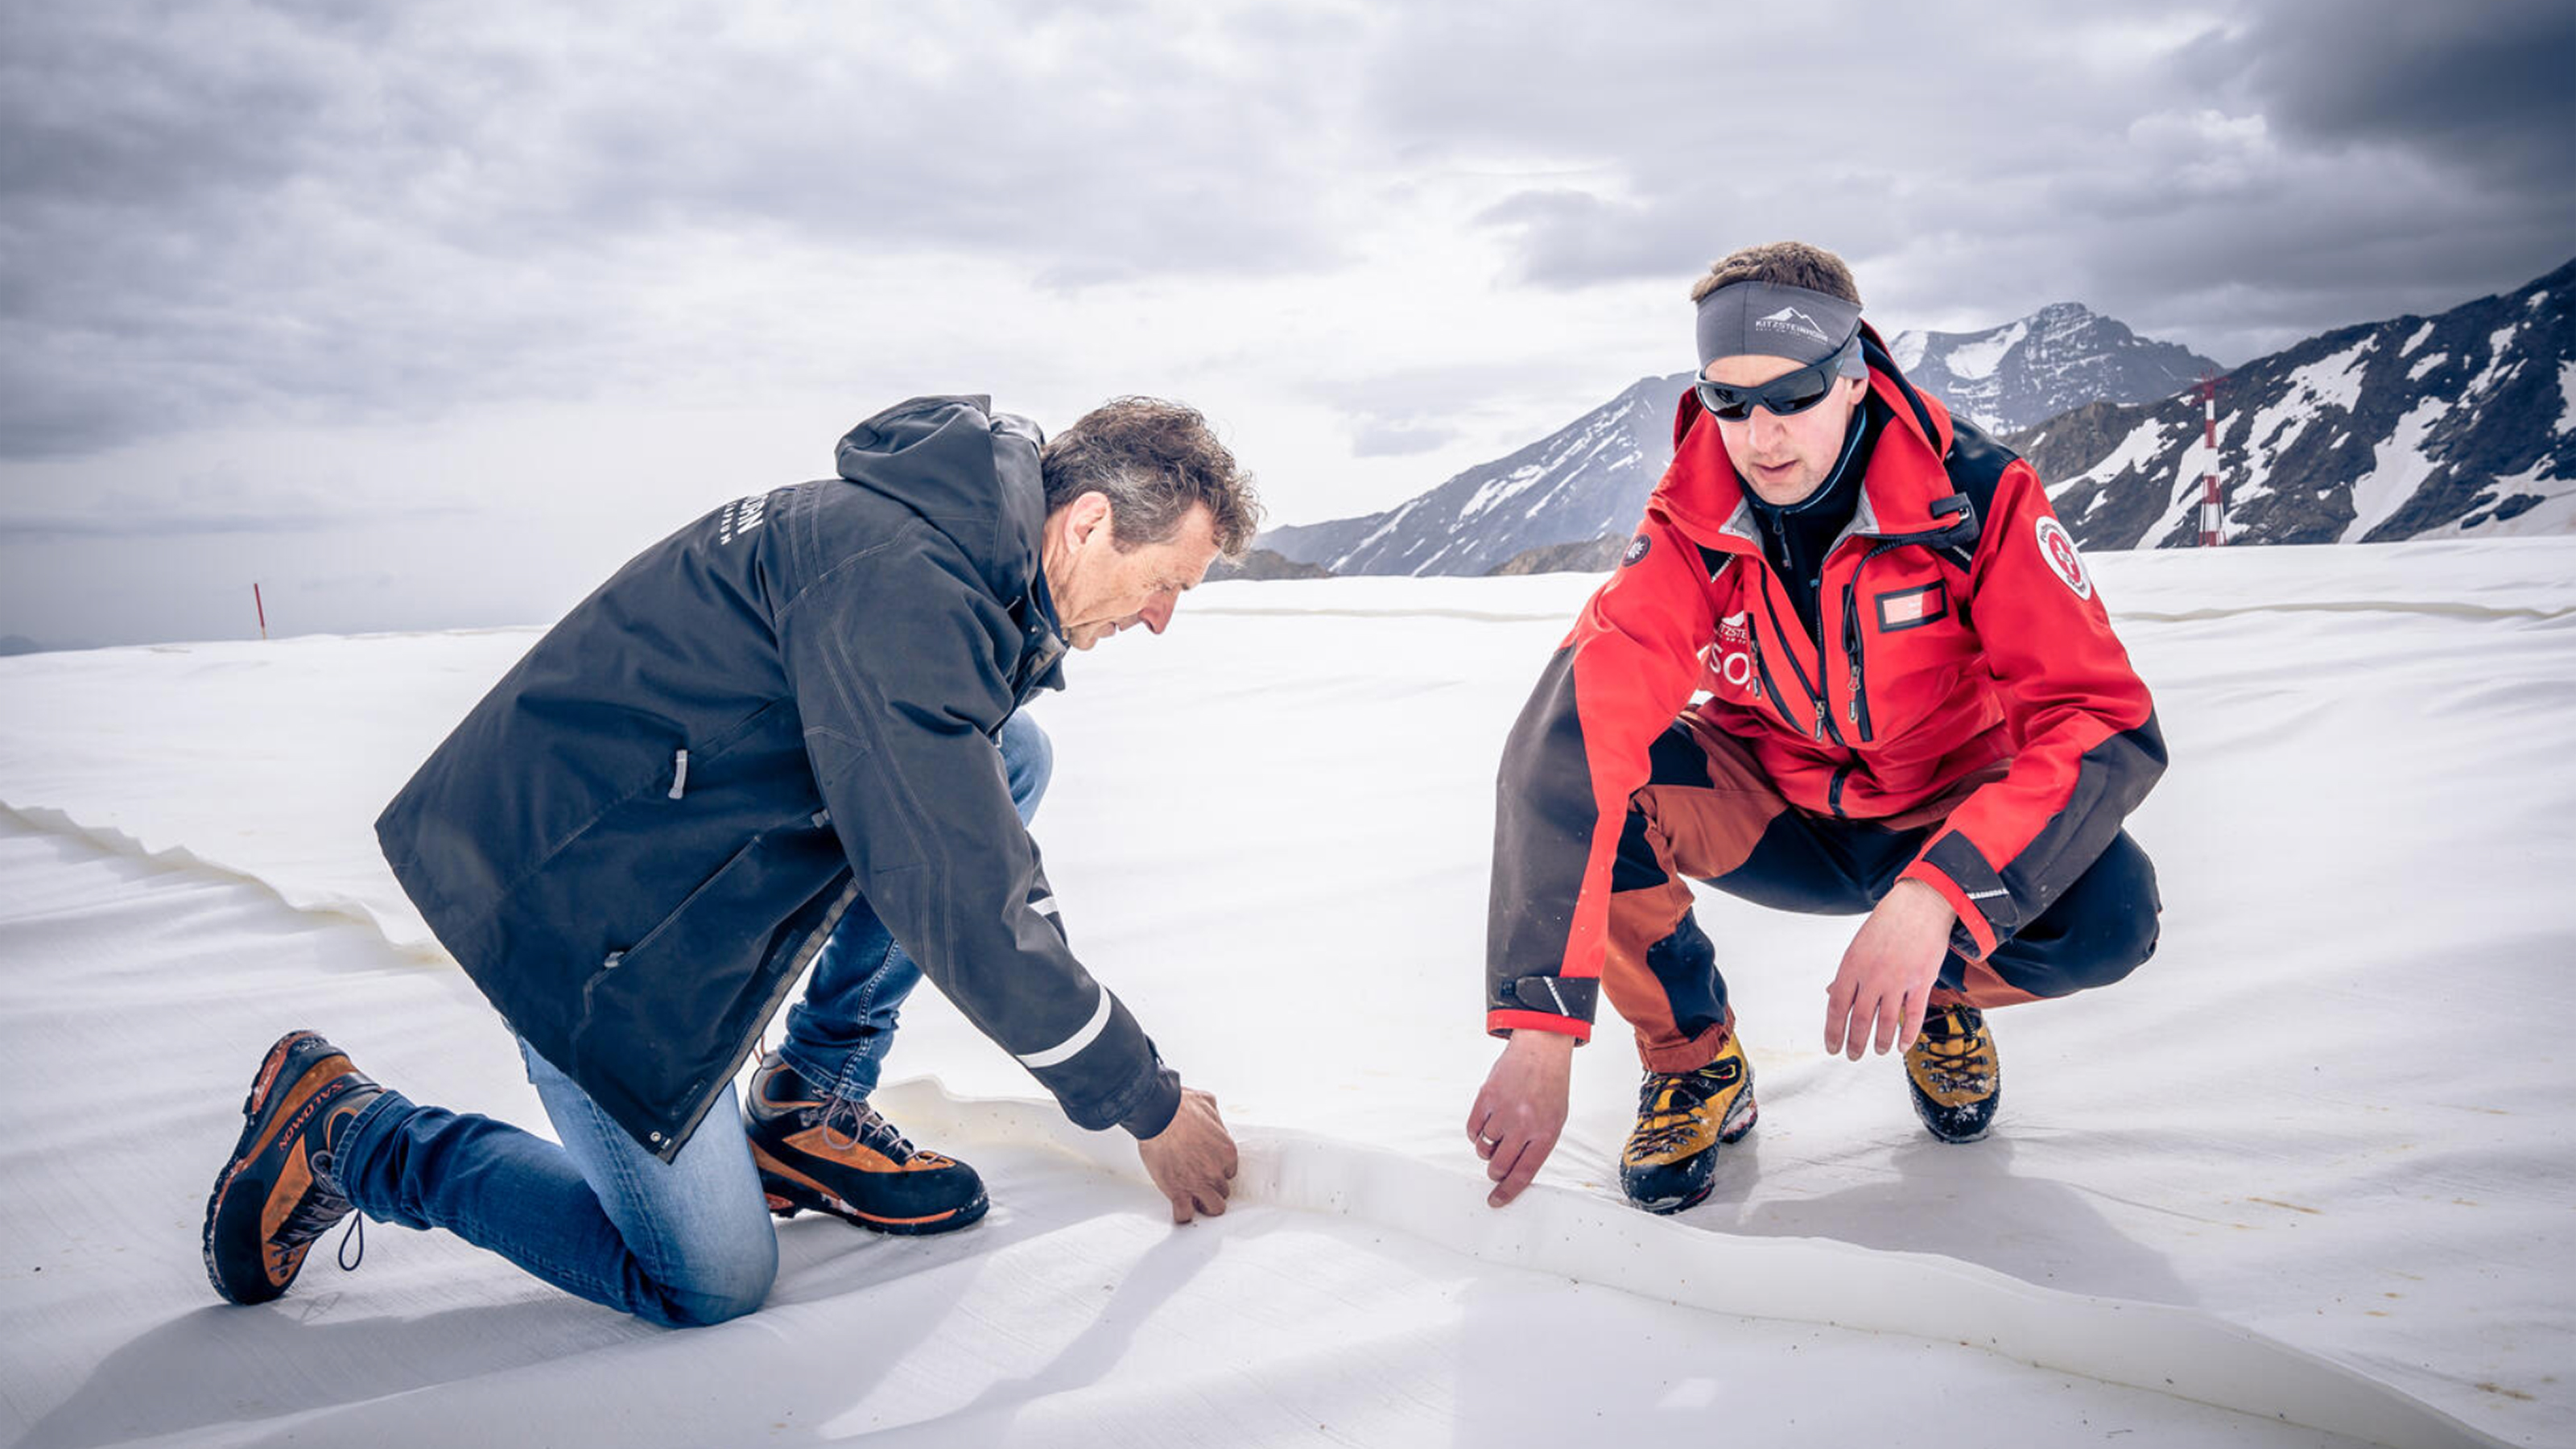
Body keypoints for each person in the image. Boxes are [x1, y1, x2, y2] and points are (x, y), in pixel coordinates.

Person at [204, 394, 1261, 1324]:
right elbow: (961, 898)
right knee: (707, 1278)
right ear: (1085, 525)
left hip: (654, 846)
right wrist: (1147, 1105)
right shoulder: (906, 592)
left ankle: (808, 1097)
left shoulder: (953, 559)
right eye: (1167, 581)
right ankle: (350, 1133)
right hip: (577, 907)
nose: (1163, 618)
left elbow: (967, 844)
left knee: (1007, 754)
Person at [1467, 242, 2165, 1215]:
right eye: (1727, 402)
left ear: (1853, 378)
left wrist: (1938, 897)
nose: (1759, 437)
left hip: (1941, 811)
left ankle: (1937, 997)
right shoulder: (1689, 523)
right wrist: (1539, 1028)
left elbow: (2098, 722)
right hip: (1776, 812)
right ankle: (1694, 1061)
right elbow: (1571, 741)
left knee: (2114, 917)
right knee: (1599, 778)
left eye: (1791, 396)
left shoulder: (1976, 500)